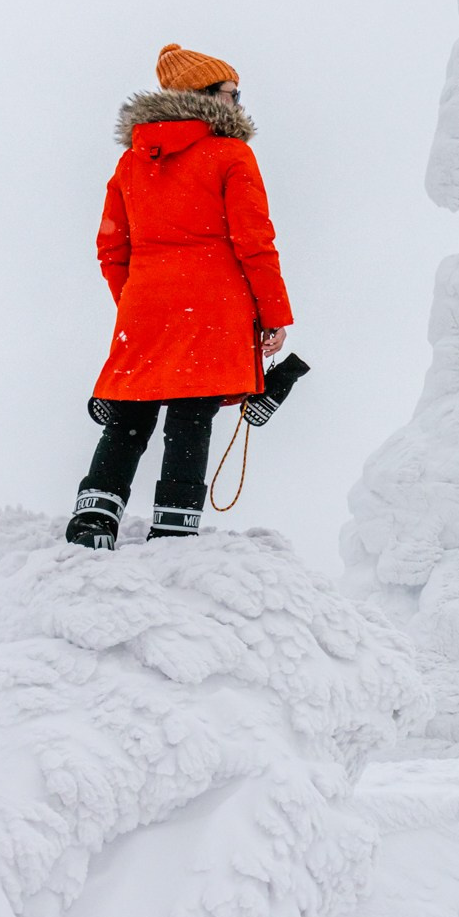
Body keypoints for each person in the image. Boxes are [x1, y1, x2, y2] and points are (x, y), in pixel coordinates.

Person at [65, 43, 293, 549]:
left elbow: (110, 245)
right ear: (204, 95)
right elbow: (255, 242)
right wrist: (273, 313)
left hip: (145, 304)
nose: (239, 103)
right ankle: (173, 529)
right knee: (191, 417)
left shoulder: (131, 162)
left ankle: (94, 518)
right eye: (232, 93)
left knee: (129, 413)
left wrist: (138, 296)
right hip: (214, 305)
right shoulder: (231, 154)